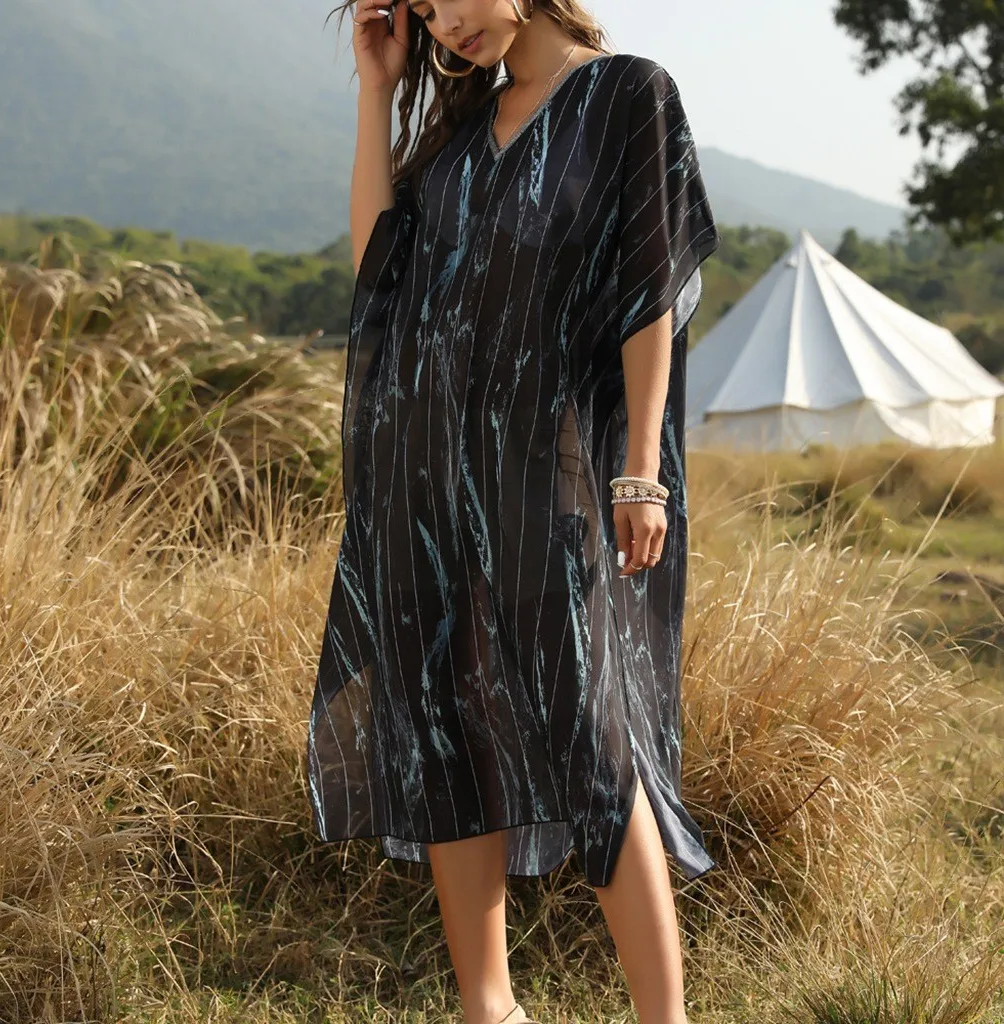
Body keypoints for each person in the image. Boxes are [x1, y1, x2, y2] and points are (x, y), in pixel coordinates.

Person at [307, 2, 721, 1022]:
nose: (448, 22)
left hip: (547, 465)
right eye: (426, 8)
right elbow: (378, 271)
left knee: (591, 739)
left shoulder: (624, 94)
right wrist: (376, 94)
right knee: (442, 727)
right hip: (418, 470)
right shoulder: (459, 130)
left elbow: (650, 285)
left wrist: (640, 470)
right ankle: (487, 1008)